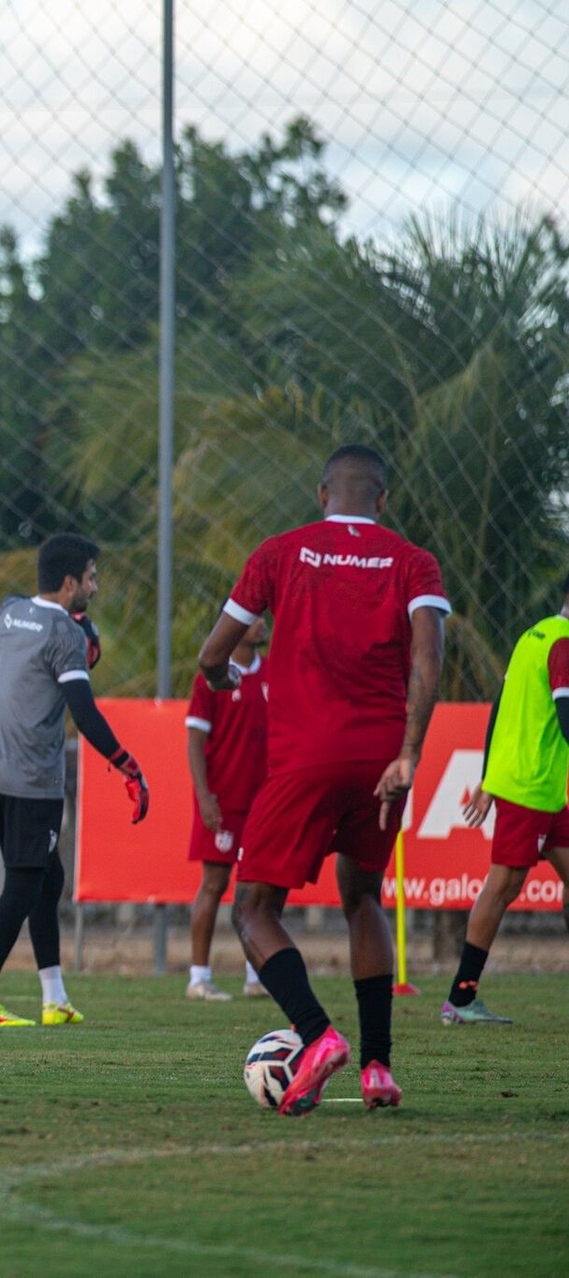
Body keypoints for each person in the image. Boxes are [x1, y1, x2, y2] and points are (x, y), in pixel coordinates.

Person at [198, 444, 446, 1115]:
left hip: (305, 757)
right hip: (381, 758)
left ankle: (316, 1035)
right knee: (363, 896)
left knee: (251, 908)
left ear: (322, 494)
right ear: (383, 501)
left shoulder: (280, 553)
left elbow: (213, 653)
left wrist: (223, 677)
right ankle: (377, 1069)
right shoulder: (412, 561)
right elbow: (428, 660)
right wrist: (411, 752)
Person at [0, 533, 146, 1029]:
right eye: (90, 577)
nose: (95, 585)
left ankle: (54, 998)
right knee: (23, 886)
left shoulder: (10, 612)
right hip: (32, 780)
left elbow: (59, 629)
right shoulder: (66, 636)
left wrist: (81, 630)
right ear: (70, 582)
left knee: (48, 880)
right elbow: (83, 711)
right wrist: (128, 763)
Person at [444, 577, 569, 1025]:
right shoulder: (563, 645)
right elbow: (566, 714)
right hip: (530, 788)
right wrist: (493, 778)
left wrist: (487, 776)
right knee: (502, 887)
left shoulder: (533, 636)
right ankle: (460, 998)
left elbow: (500, 707)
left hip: (539, 789)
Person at [183, 615, 271, 1001]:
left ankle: (256, 975)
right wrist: (204, 796)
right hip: (223, 800)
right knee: (214, 884)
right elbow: (195, 742)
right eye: (253, 619)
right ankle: (198, 978)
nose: (262, 625)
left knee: (257, 890)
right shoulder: (211, 677)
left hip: (264, 802)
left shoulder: (273, 674)